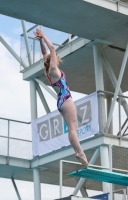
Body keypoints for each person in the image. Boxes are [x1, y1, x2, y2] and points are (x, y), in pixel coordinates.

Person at [33, 29, 88, 166]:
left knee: (71, 128)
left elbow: (45, 53)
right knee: (73, 128)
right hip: (66, 98)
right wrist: (44, 36)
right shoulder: (53, 70)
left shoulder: (48, 73)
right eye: (56, 59)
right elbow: (51, 49)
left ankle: (77, 151)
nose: (57, 61)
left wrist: (40, 41)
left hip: (60, 101)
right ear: (54, 61)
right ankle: (81, 153)